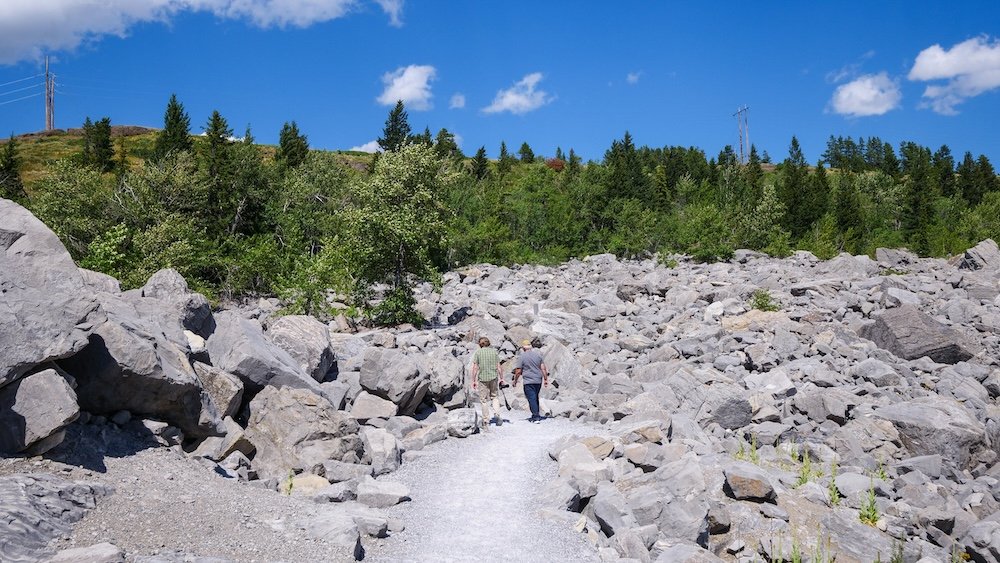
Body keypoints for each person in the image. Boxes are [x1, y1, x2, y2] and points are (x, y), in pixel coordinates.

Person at [470, 337, 504, 429]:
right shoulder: (494, 352)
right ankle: (497, 414)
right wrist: (502, 378)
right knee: (495, 397)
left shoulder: (478, 353)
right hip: (493, 377)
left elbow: (475, 367)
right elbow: (499, 366)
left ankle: (486, 420)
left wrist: (473, 380)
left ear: (480, 344)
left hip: (482, 378)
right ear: (488, 343)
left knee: (483, 400)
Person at [511, 339, 549, 422]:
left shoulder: (522, 357)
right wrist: (545, 379)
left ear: (523, 348)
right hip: (538, 380)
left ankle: (536, 416)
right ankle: (536, 413)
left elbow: (518, 371)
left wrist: (515, 380)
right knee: (535, 397)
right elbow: (543, 368)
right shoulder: (538, 355)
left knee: (531, 398)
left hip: (528, 381)